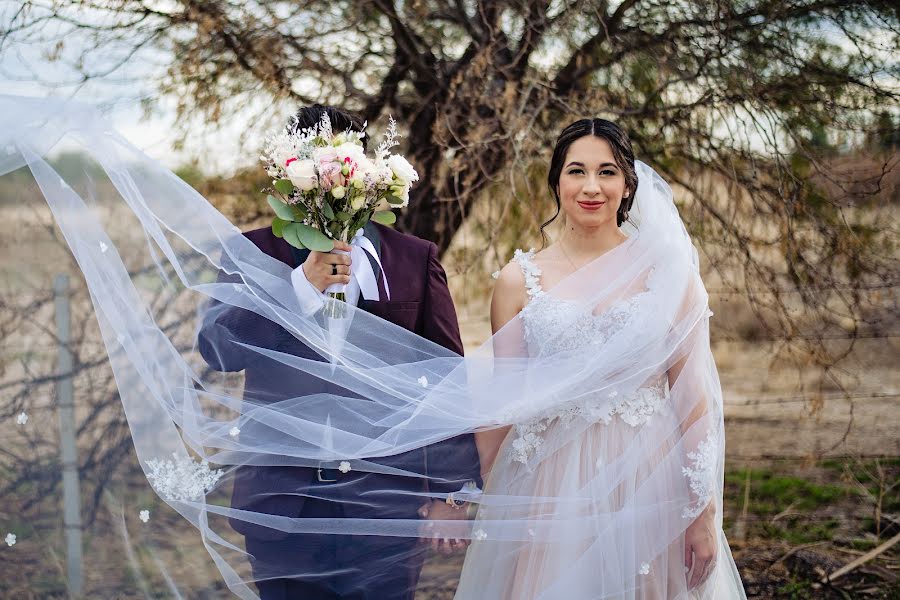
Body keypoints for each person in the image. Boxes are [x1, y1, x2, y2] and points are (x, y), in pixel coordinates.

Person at [197, 105, 481, 600]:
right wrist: (296, 290)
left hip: (386, 502)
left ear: (366, 171)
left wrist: (451, 493)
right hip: (282, 503)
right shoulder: (252, 254)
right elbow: (218, 352)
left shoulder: (413, 257)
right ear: (288, 173)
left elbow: (446, 377)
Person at [454, 119, 747, 599]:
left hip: (647, 482)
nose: (592, 187)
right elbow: (502, 403)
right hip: (547, 488)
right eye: (576, 171)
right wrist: (467, 495)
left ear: (628, 184)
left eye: (607, 172)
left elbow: (693, 400)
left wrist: (703, 512)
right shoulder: (517, 280)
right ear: (556, 182)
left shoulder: (671, 276)